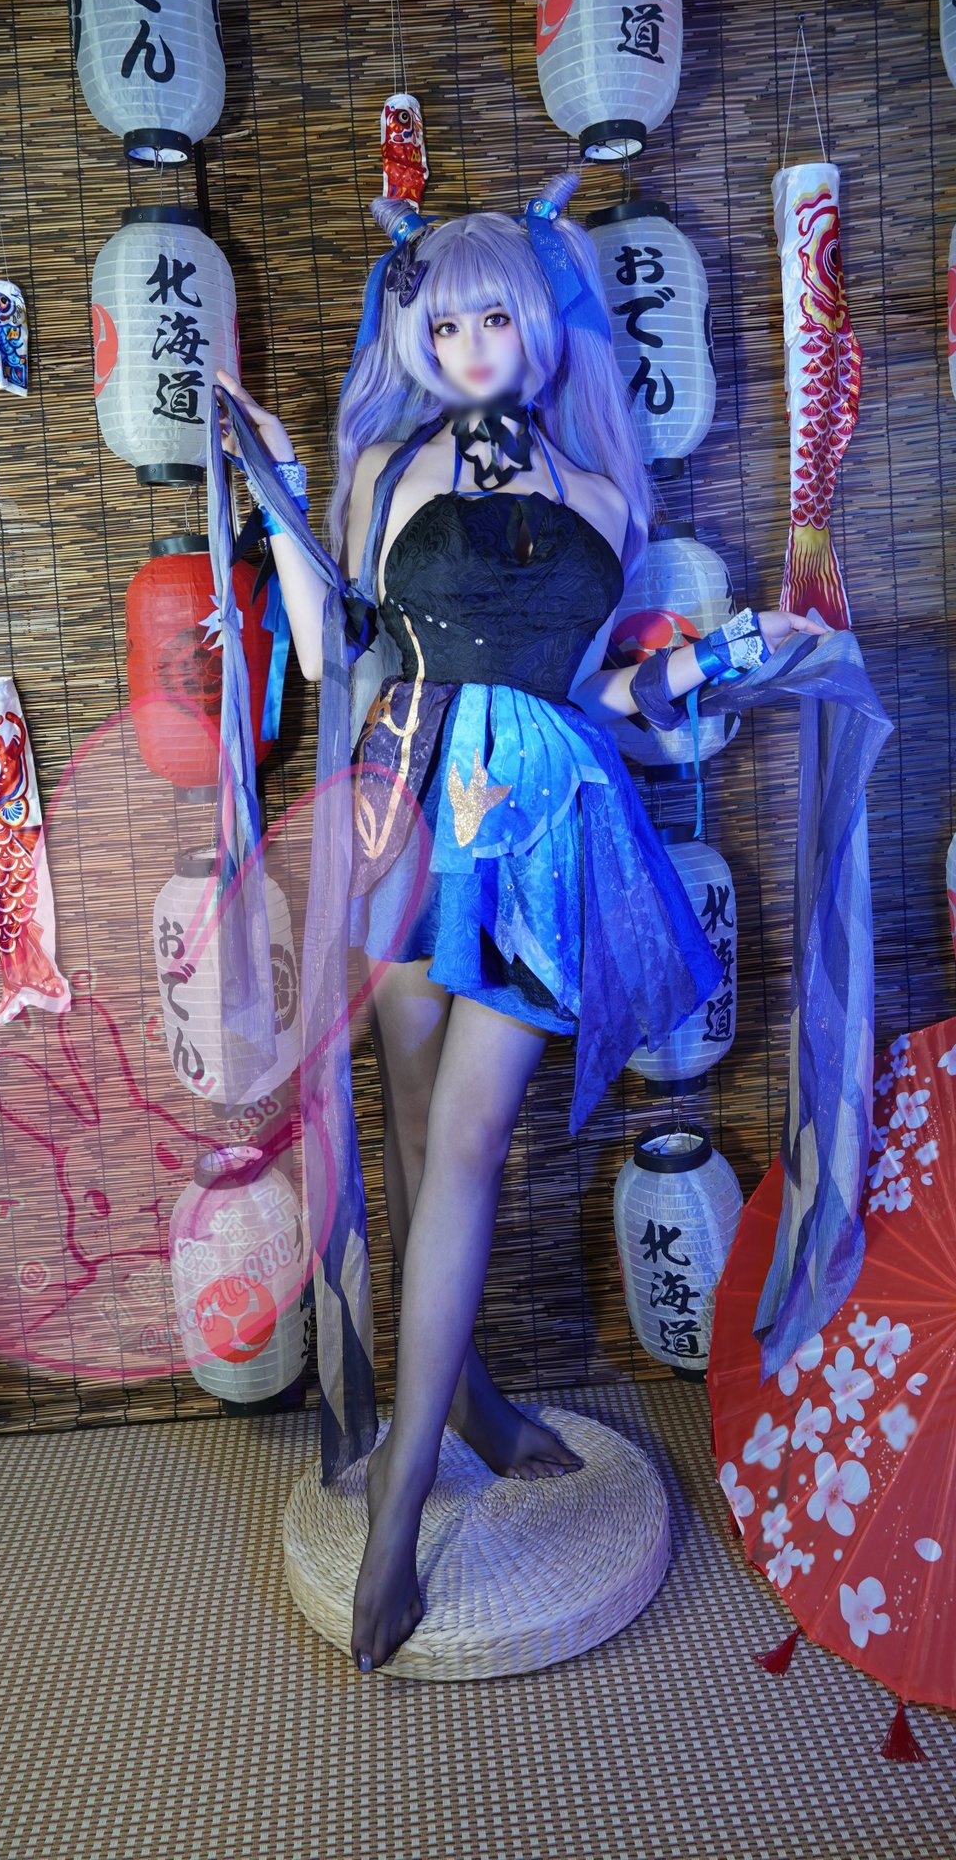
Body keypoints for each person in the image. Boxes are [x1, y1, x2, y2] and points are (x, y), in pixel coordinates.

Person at [215, 169, 819, 1677]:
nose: (471, 346)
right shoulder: (387, 467)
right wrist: (281, 489)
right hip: (405, 810)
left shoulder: (608, 492)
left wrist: (732, 655)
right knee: (422, 1142)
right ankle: (474, 1402)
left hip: (541, 824)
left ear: (543, 324)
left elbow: (603, 690)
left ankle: (402, 1499)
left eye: (496, 318)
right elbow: (326, 649)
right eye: (445, 323)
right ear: (414, 335)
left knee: (473, 1140)